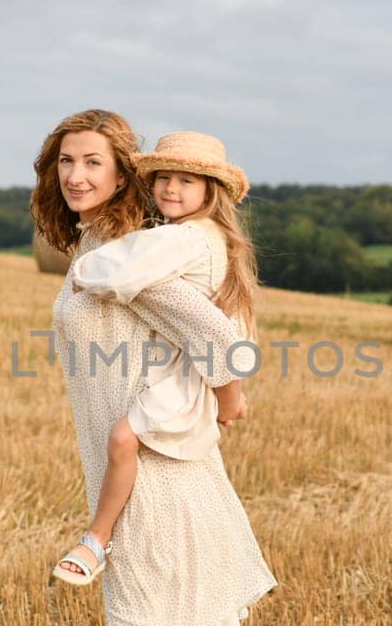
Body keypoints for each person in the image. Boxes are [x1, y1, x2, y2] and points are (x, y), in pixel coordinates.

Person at [2, 110, 277, 626]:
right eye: (65, 161)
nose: (75, 175)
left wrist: (229, 398)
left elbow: (217, 334)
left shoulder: (135, 255)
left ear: (125, 174)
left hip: (153, 467)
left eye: (93, 162)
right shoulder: (106, 244)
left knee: (137, 619)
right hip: (144, 458)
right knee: (176, 625)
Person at [51, 131, 258, 588]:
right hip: (185, 370)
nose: (170, 188)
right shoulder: (202, 236)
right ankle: (97, 537)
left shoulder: (186, 238)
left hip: (181, 377)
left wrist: (87, 273)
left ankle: (97, 537)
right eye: (163, 177)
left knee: (123, 440)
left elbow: (128, 266)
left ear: (211, 191)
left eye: (186, 180)